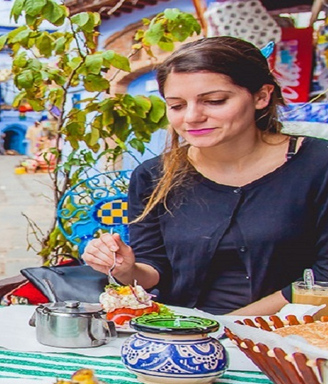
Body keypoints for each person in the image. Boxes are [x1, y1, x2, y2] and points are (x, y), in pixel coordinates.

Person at [82, 36, 328, 316]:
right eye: (176, 106)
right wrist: (126, 269)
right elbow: (154, 269)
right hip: (179, 331)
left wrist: (228, 328)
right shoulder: (153, 176)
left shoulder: (318, 165)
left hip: (291, 335)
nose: (192, 117)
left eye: (214, 101)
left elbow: (324, 278)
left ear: (261, 96)